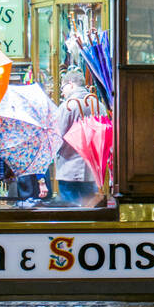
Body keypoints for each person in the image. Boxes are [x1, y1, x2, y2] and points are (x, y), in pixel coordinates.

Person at [55, 68, 98, 205]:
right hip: (92, 171)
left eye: (63, 87)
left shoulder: (67, 106)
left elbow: (58, 137)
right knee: (90, 212)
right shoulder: (99, 105)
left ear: (71, 84)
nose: (62, 92)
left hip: (69, 169)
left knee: (71, 215)